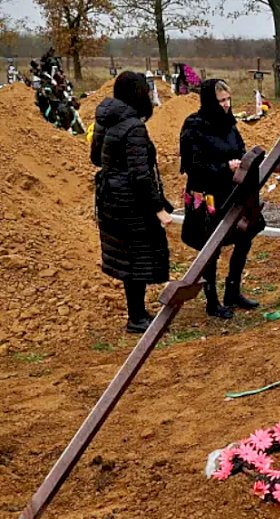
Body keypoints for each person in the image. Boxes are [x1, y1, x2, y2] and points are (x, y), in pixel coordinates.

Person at [90, 71, 173, 333]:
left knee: (127, 257)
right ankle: (137, 318)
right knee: (138, 256)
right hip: (130, 202)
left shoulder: (107, 121)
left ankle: (136, 313)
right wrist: (158, 208)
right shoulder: (134, 126)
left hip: (110, 198)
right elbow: (140, 175)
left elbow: (96, 158)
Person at [179, 79, 265, 319]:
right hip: (206, 195)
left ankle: (232, 290)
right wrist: (223, 167)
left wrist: (243, 162)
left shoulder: (229, 124)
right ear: (209, 101)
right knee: (211, 248)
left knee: (246, 232)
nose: (226, 105)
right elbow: (193, 165)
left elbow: (239, 148)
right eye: (221, 101)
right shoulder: (194, 127)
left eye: (228, 99)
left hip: (231, 190)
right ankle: (212, 301)